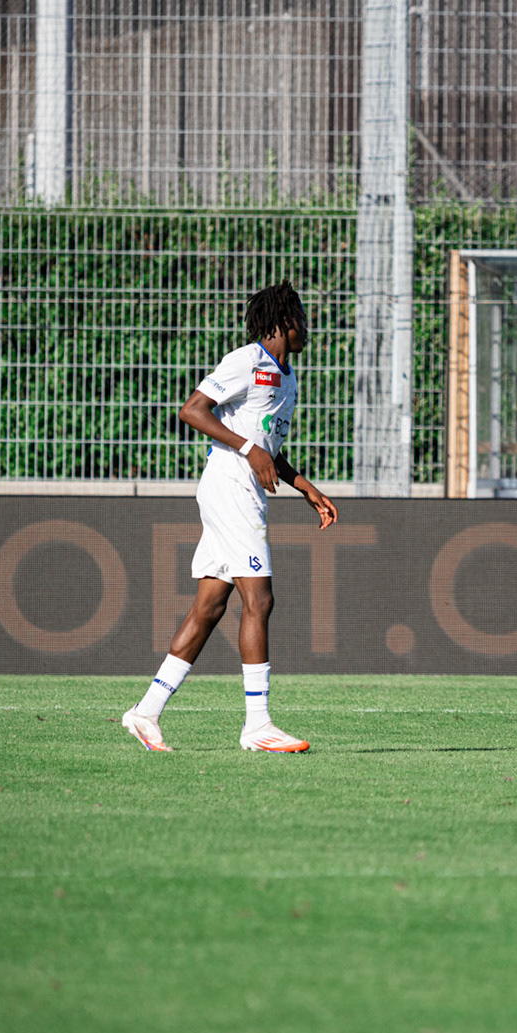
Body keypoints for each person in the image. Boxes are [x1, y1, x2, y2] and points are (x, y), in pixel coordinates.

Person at [122, 281, 339, 753]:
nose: (307, 324)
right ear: (284, 321)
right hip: (229, 489)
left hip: (244, 491)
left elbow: (266, 448)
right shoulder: (248, 361)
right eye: (301, 314)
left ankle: (145, 712)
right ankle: (257, 724)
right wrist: (246, 449)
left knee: (210, 607)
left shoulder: (288, 377)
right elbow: (192, 410)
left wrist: (306, 487)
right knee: (259, 601)